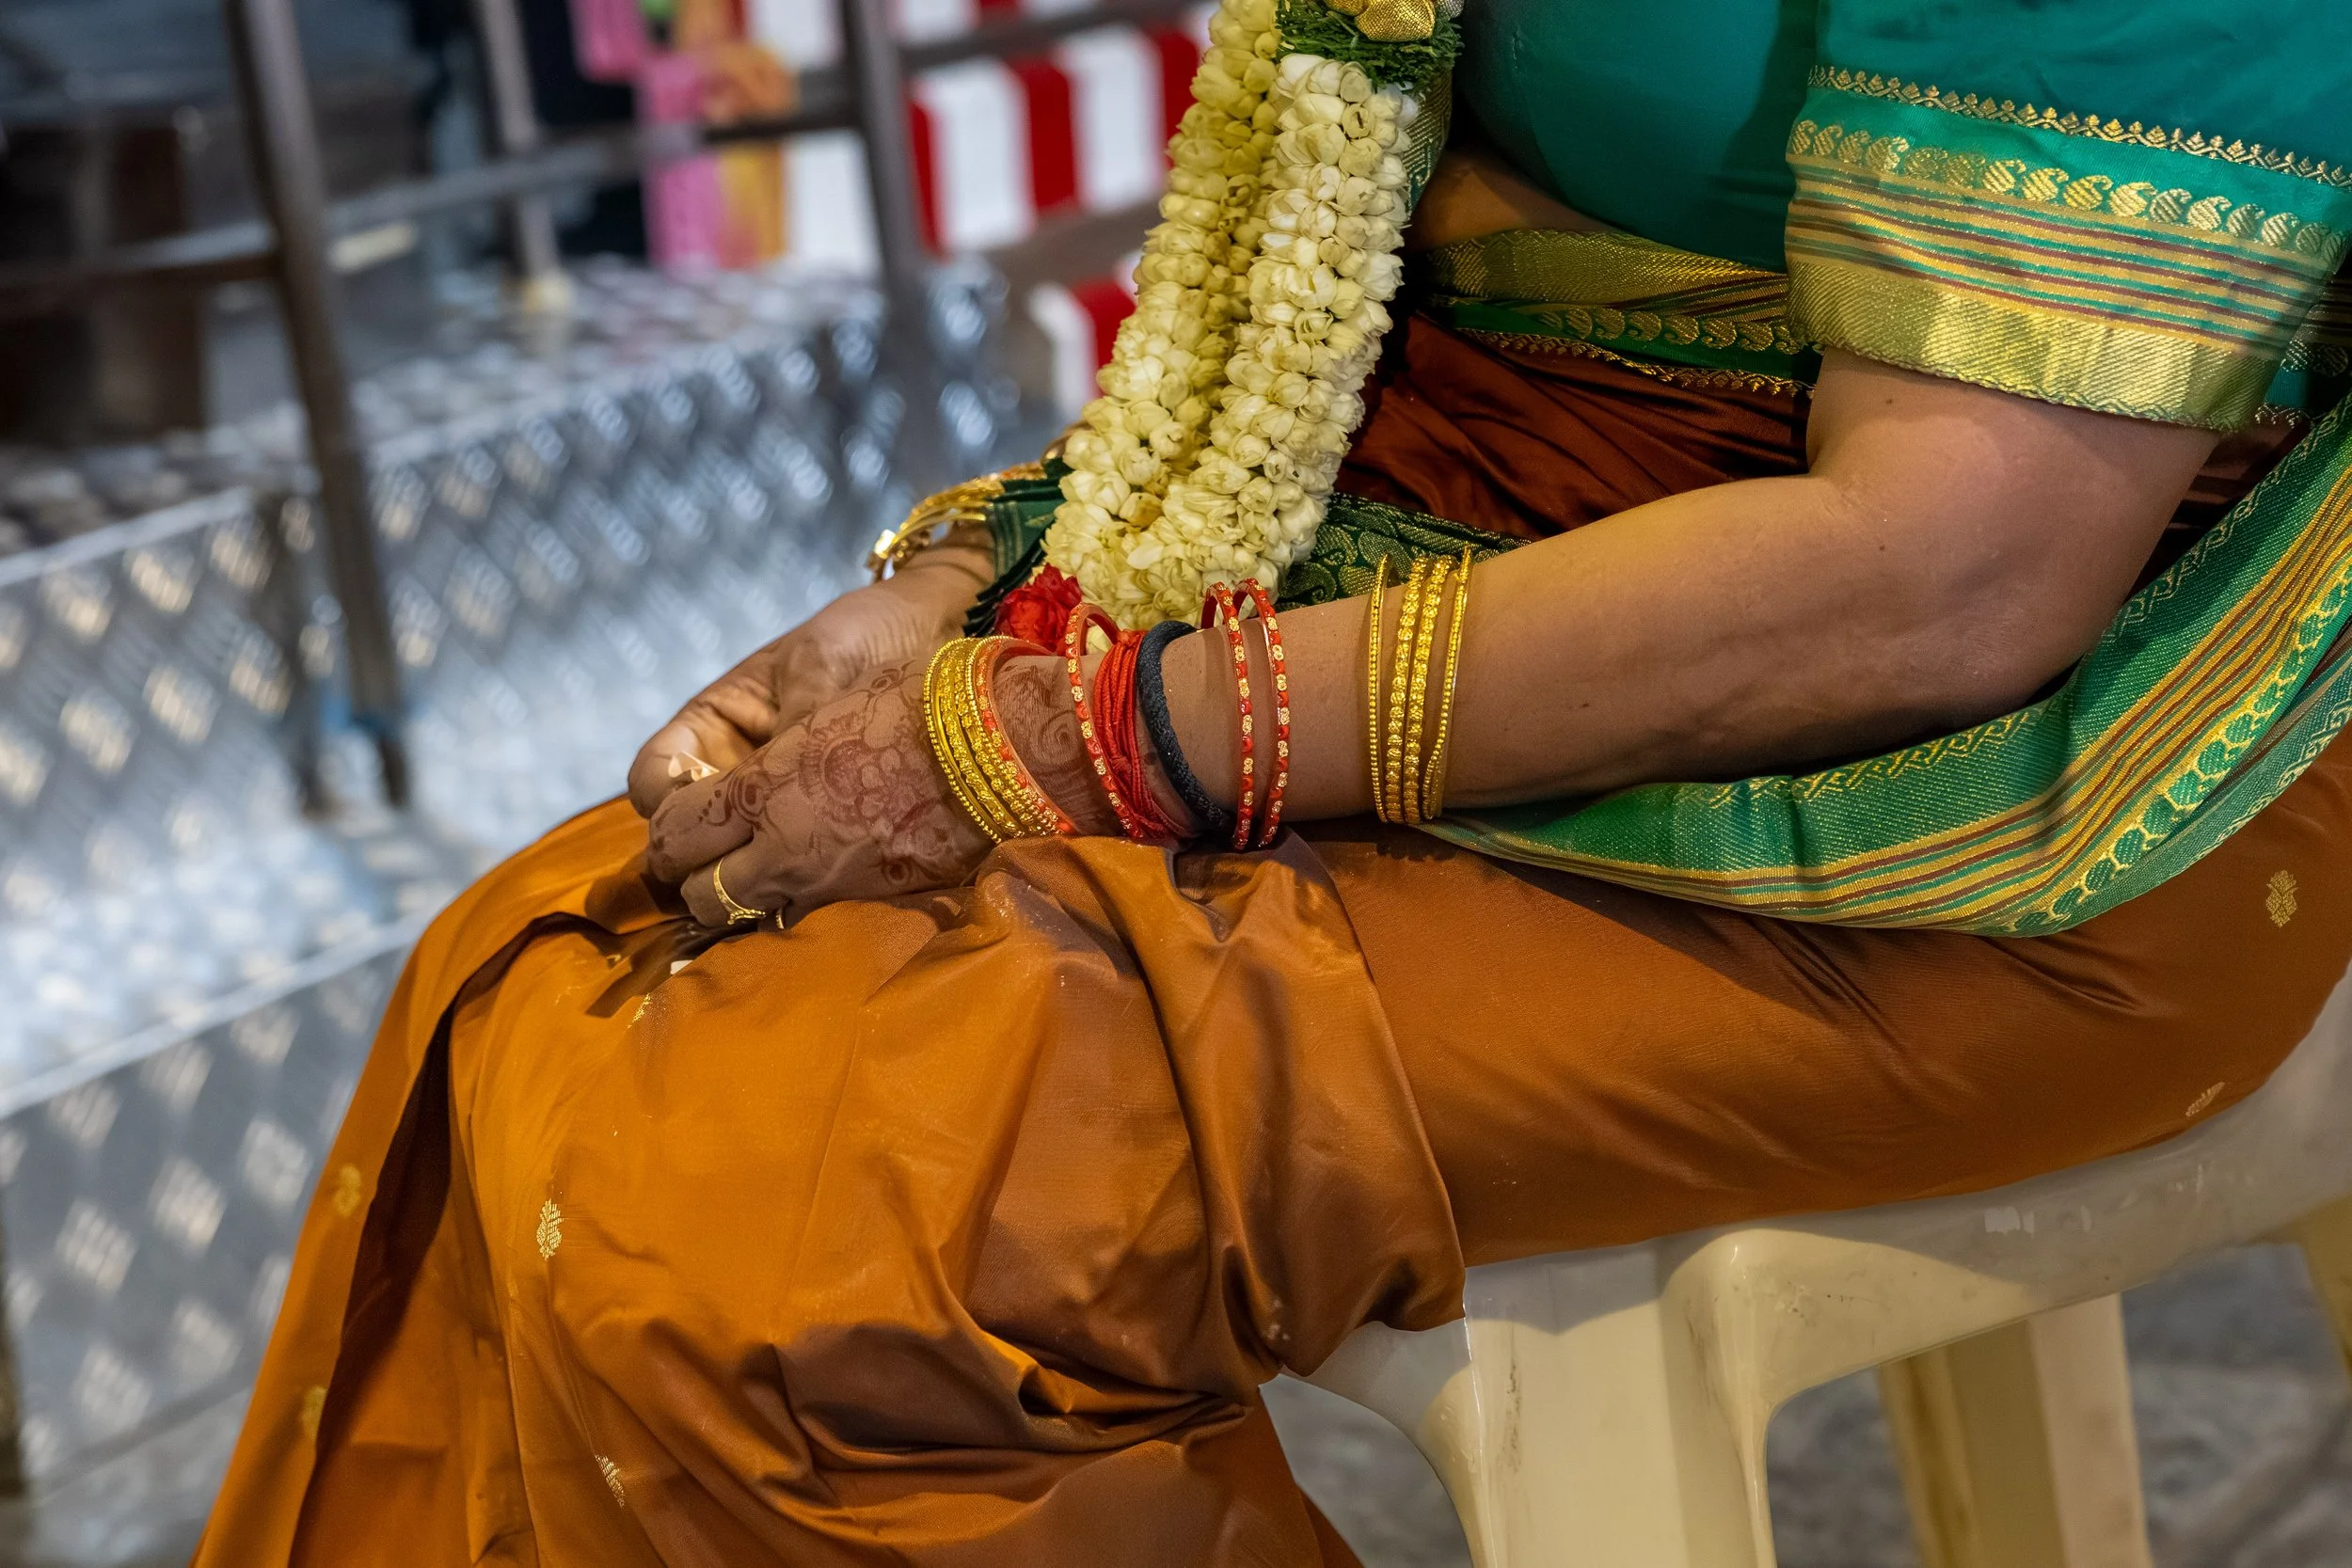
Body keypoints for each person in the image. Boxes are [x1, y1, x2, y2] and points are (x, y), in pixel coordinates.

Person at [198, 1, 2352, 1562]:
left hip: (1985, 797)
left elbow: (1947, 582)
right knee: (556, 967)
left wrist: (1071, 734)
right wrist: (975, 579)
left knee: (803, 1228)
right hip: (1459, 571)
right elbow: (1317, 292)